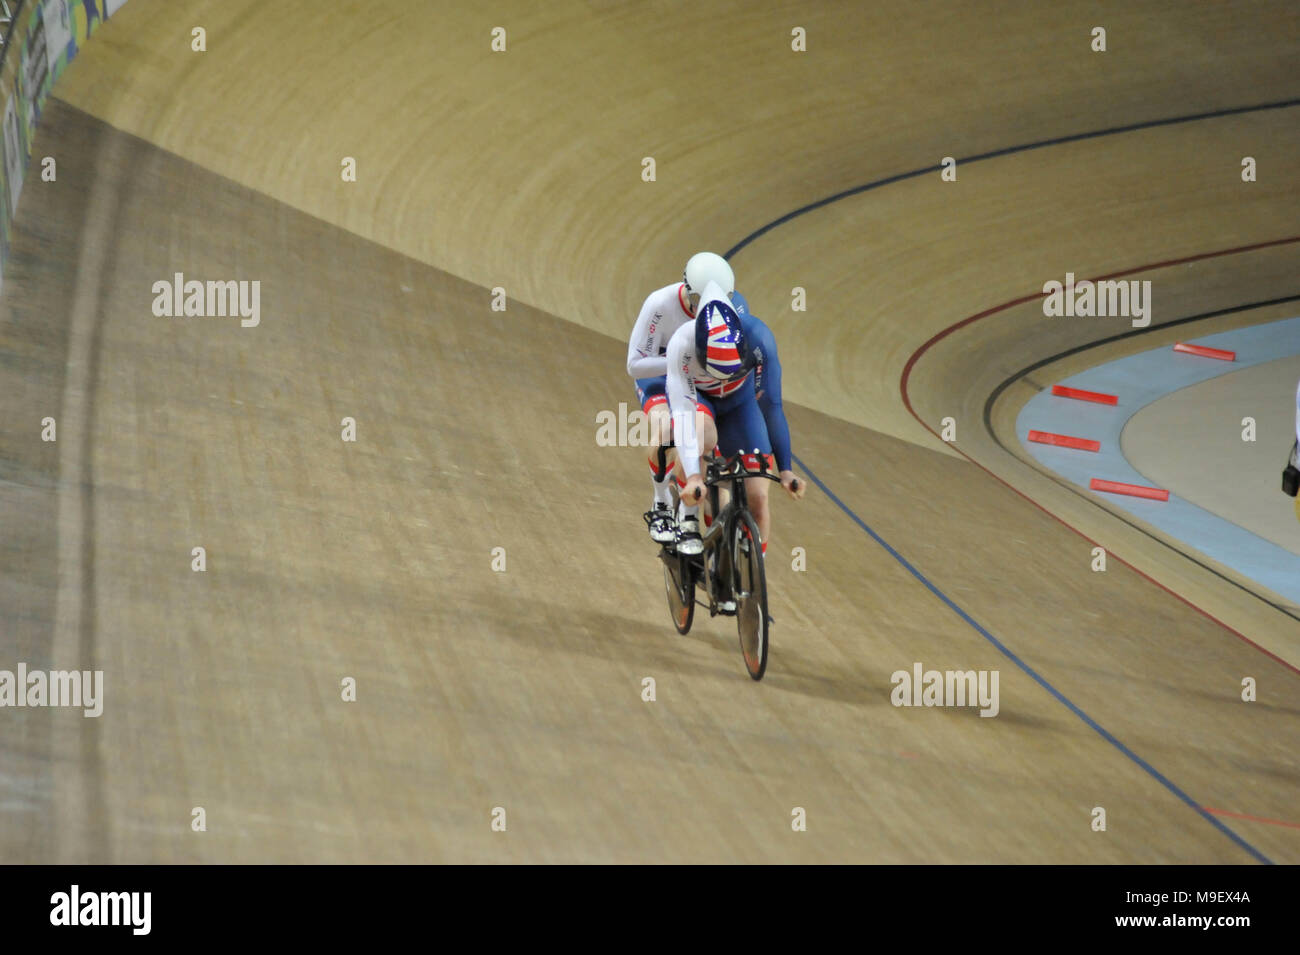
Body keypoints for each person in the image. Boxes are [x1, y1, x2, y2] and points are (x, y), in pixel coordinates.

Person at [663, 281, 804, 561]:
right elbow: (681, 412)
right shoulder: (683, 341)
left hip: (741, 406)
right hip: (701, 402)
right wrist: (692, 477)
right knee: (704, 447)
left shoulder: (760, 338)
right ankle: (689, 519)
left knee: (759, 497)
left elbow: (772, 406)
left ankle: (751, 578)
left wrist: (786, 469)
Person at [627, 252, 738, 544]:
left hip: (692, 375)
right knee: (667, 430)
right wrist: (678, 360)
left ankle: (690, 517)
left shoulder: (724, 312)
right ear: (688, 292)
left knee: (699, 432)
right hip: (658, 373)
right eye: (698, 300)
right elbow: (634, 365)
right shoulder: (660, 304)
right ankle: (661, 501)